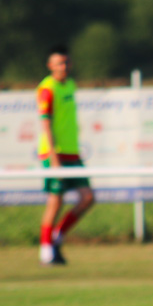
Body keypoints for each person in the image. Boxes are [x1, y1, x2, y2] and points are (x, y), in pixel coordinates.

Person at [36, 45, 95, 265]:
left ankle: (57, 235)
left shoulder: (70, 84)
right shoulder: (47, 89)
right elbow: (46, 123)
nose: (64, 67)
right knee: (55, 201)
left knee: (88, 197)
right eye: (59, 63)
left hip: (73, 153)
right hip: (55, 153)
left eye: (67, 62)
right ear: (50, 65)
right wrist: (53, 156)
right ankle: (45, 250)